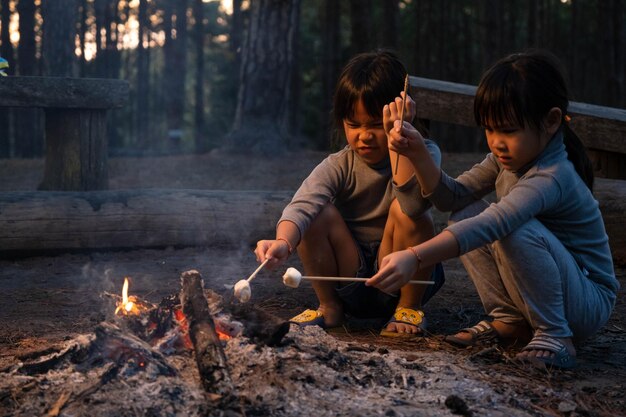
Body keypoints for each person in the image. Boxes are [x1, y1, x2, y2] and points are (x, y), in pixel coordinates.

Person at [371, 50, 618, 368]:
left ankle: (556, 334)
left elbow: (495, 222)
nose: (496, 142)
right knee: (465, 214)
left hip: (587, 300)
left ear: (551, 121)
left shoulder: (553, 175)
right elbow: (453, 199)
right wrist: (418, 153)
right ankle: (509, 320)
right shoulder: (507, 160)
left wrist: (416, 256)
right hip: (559, 288)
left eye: (509, 130)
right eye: (490, 129)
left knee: (508, 225)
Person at [254, 50, 445, 337]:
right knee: (317, 214)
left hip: (404, 275)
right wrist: (283, 241)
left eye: (375, 124)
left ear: (403, 116)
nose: (364, 135)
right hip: (348, 277)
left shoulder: (423, 153)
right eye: (353, 125)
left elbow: (415, 203)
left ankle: (409, 309)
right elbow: (301, 206)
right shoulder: (340, 164)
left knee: (406, 210)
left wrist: (402, 138)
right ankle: (329, 307)